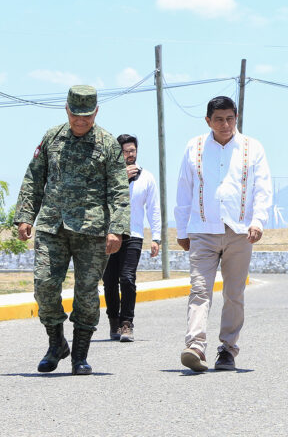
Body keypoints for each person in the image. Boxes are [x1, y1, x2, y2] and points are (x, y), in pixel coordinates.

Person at [14, 85, 130, 375]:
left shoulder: (107, 144)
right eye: (76, 115)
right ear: (67, 110)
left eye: (87, 116)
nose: (81, 121)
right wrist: (25, 216)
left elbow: (118, 190)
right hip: (52, 226)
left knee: (86, 293)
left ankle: (79, 354)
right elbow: (33, 178)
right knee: (44, 285)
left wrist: (116, 229)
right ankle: (56, 343)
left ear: (96, 112)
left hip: (92, 231)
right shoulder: (52, 137)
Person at [174, 96, 272, 372]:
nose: (225, 124)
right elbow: (184, 189)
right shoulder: (194, 147)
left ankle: (228, 349)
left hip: (240, 232)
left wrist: (258, 221)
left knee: (234, 293)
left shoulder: (253, 148)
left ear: (236, 118)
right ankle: (195, 346)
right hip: (203, 231)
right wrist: (182, 229)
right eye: (219, 119)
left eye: (230, 118)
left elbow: (262, 189)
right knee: (200, 290)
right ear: (208, 121)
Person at [101, 134, 161, 342]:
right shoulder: (108, 177)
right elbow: (99, 201)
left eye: (132, 151)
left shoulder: (147, 177)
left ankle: (127, 323)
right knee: (109, 281)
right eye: (125, 151)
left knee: (127, 278)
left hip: (133, 235)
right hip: (109, 235)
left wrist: (157, 237)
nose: (129, 155)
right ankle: (113, 321)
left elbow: (153, 208)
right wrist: (120, 179)